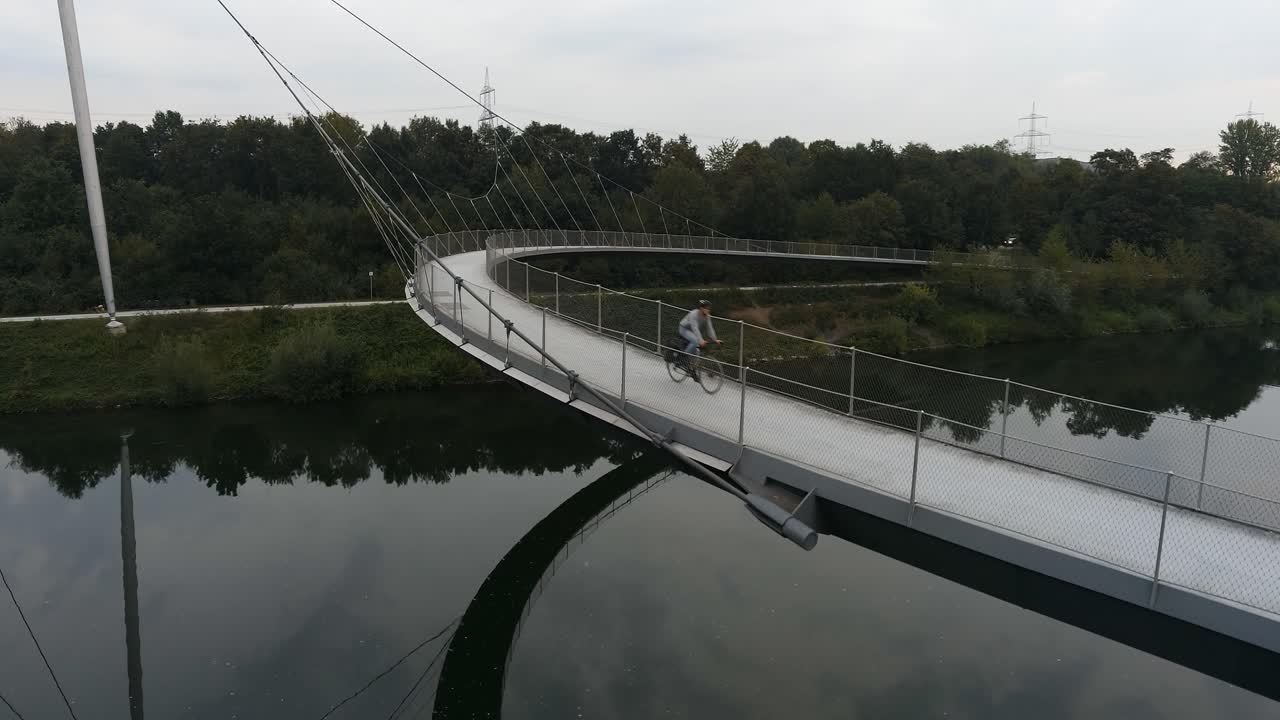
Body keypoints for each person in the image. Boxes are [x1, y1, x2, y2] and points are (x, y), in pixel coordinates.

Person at [678, 300, 721, 378]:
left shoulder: (707, 316)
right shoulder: (693, 314)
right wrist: (700, 340)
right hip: (684, 329)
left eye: (709, 308)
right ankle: (683, 357)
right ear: (701, 308)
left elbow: (710, 328)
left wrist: (715, 339)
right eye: (707, 308)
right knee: (695, 341)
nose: (708, 310)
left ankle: (690, 368)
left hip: (692, 332)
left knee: (697, 351)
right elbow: (695, 328)